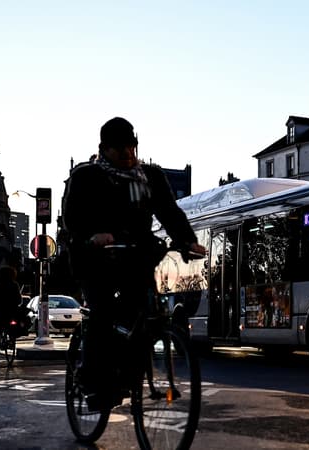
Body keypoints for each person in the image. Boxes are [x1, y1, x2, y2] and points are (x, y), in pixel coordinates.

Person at [62, 116, 206, 410]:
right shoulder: (87, 176)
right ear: (104, 149)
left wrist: (186, 241)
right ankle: (93, 382)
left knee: (142, 315)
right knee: (102, 313)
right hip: (97, 258)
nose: (128, 154)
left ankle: (129, 375)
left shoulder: (150, 176)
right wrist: (92, 235)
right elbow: (73, 216)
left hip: (136, 256)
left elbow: (169, 211)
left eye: (132, 147)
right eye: (120, 149)